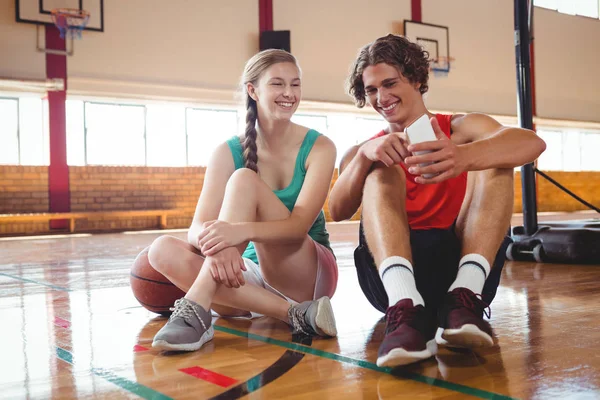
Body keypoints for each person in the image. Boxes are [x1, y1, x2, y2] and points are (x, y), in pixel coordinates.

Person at [328, 34, 546, 368]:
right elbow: (338, 210)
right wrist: (363, 158)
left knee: (497, 158)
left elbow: (532, 143)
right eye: (372, 90)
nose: (381, 97)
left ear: (415, 78)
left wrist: (463, 156)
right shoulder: (364, 150)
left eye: (389, 83)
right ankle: (405, 304)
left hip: (461, 276)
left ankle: (464, 296)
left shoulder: (460, 128)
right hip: (390, 285)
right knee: (379, 170)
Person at [145, 49, 339, 352]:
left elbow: (297, 228)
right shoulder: (227, 151)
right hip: (243, 276)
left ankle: (196, 308)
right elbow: (196, 229)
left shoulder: (320, 147)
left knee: (243, 180)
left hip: (305, 273)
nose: (289, 93)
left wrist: (238, 232)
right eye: (277, 84)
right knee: (159, 251)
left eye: (295, 84)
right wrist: (219, 247)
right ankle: (295, 315)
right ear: (253, 90)